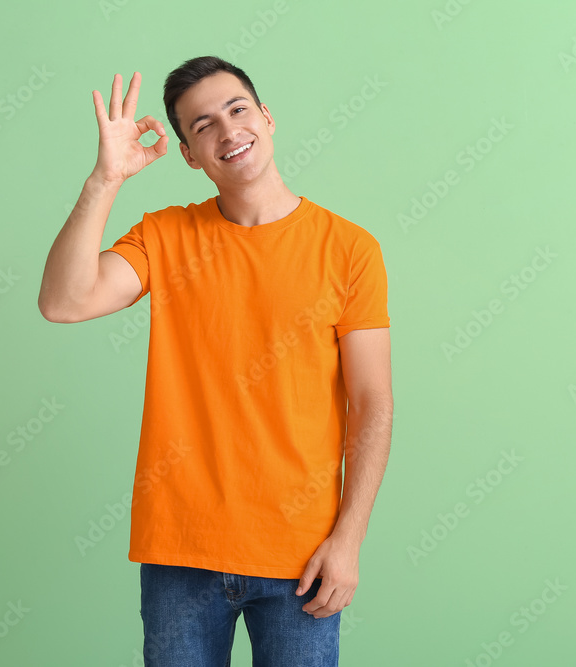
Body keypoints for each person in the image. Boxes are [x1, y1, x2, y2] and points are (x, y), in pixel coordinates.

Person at [37, 56, 393, 666]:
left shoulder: (349, 248)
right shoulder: (165, 235)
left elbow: (372, 402)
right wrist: (106, 179)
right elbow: (64, 302)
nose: (227, 131)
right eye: (203, 126)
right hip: (180, 552)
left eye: (237, 110)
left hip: (301, 555)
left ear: (267, 118)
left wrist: (349, 539)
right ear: (188, 155)